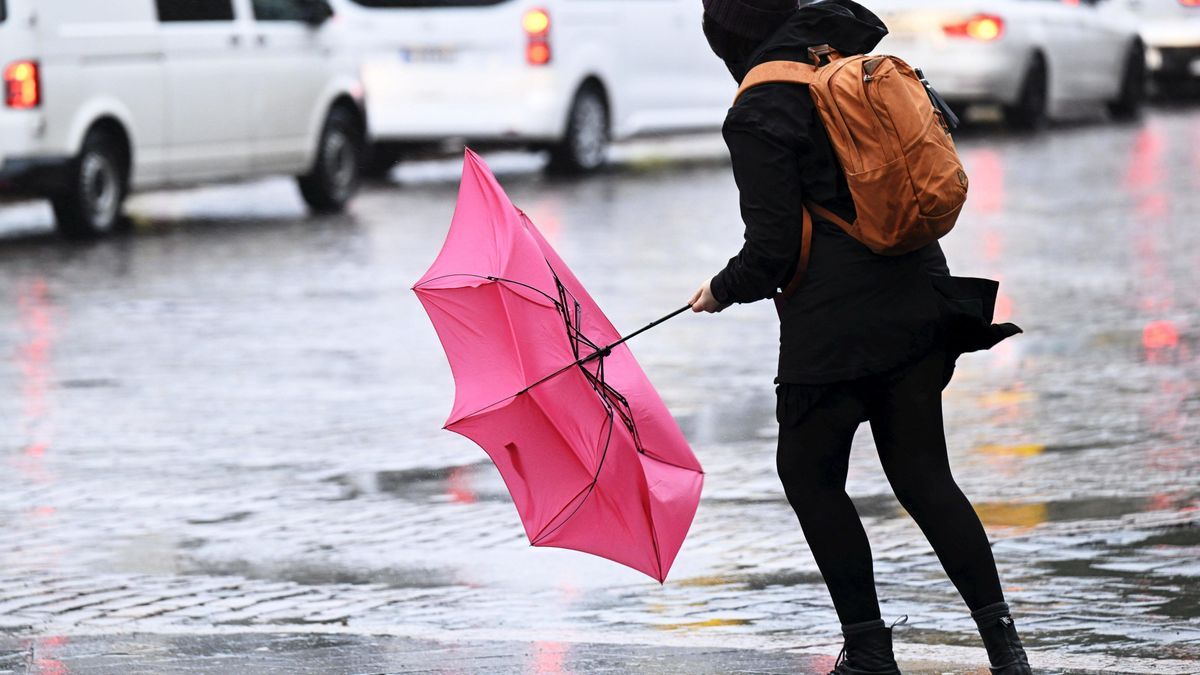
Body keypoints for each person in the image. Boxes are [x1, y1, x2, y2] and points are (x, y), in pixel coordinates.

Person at [688, 1, 1032, 673]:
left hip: (835, 323)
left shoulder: (758, 107)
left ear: (726, 32)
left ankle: (870, 647)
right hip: (919, 295)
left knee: (808, 475)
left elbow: (773, 250)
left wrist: (719, 289)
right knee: (926, 477)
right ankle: (1006, 648)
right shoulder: (838, 53)